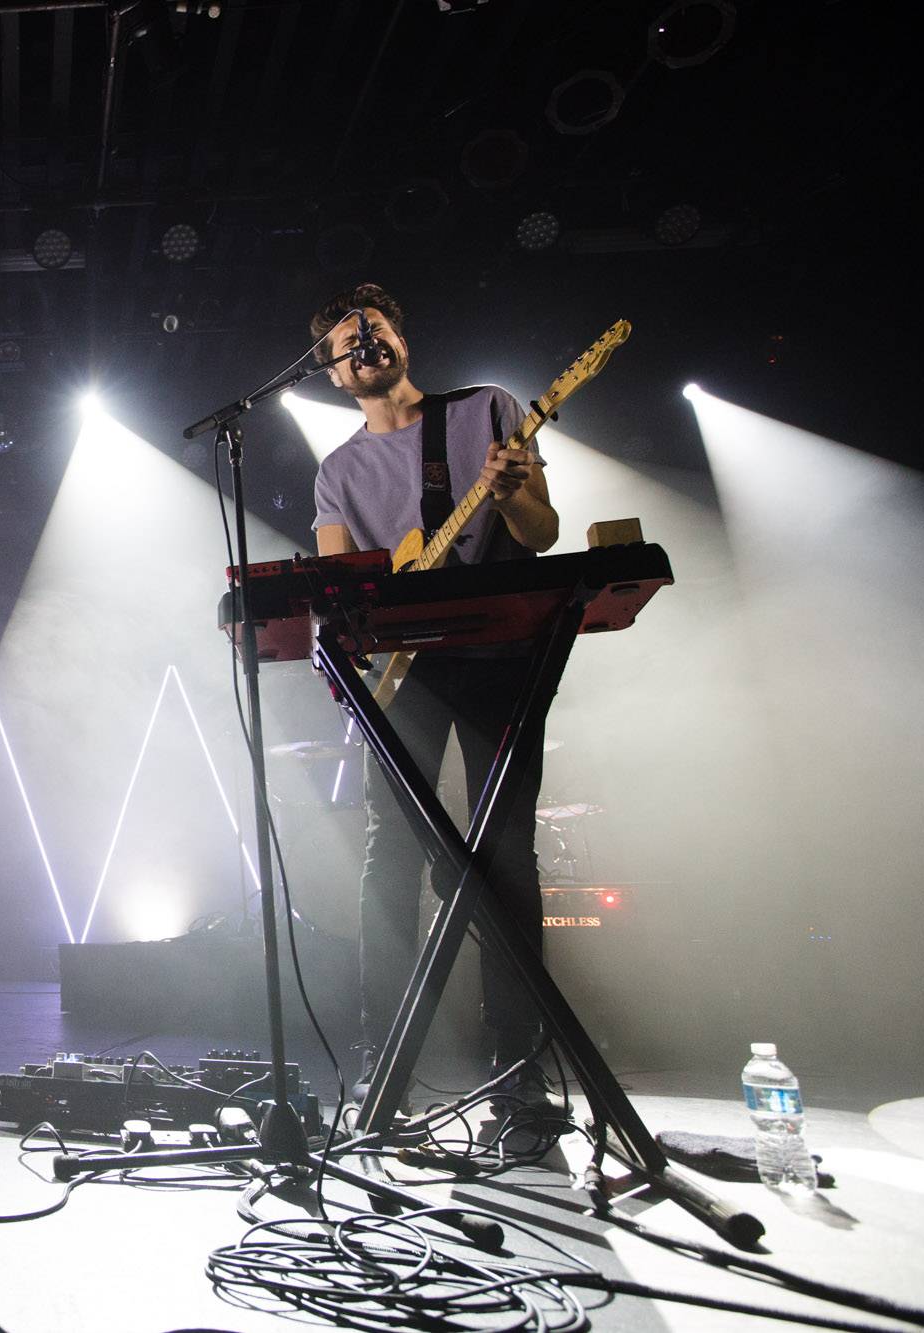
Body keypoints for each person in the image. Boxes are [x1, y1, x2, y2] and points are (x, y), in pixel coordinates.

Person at [306, 283, 558, 1108]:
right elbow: (334, 580)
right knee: (393, 857)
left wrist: (516, 486)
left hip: (499, 651)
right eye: (348, 340)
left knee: (507, 852)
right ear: (334, 374)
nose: (364, 342)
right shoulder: (336, 470)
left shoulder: (486, 409)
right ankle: (390, 1056)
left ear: (402, 338)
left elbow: (541, 533)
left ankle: (515, 1064)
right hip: (405, 672)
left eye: (374, 326)